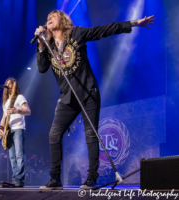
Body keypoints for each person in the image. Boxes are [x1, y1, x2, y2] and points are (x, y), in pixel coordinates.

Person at [35, 10, 155, 190]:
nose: (48, 19)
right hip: (68, 98)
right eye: (47, 17)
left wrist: (134, 23)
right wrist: (41, 45)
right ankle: (55, 180)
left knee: (91, 135)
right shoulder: (48, 45)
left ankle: (91, 178)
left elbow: (105, 30)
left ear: (63, 20)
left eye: (53, 16)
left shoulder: (77, 34)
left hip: (88, 92)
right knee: (54, 134)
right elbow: (42, 68)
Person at [0, 77, 31, 187]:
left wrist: (16, 110)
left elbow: (28, 111)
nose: (8, 86)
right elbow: (4, 117)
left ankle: (19, 180)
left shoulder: (20, 97)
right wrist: (0, 128)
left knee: (19, 155)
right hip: (9, 131)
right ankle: (15, 179)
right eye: (6, 84)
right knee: (11, 157)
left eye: (10, 84)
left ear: (14, 86)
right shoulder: (6, 102)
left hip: (18, 129)